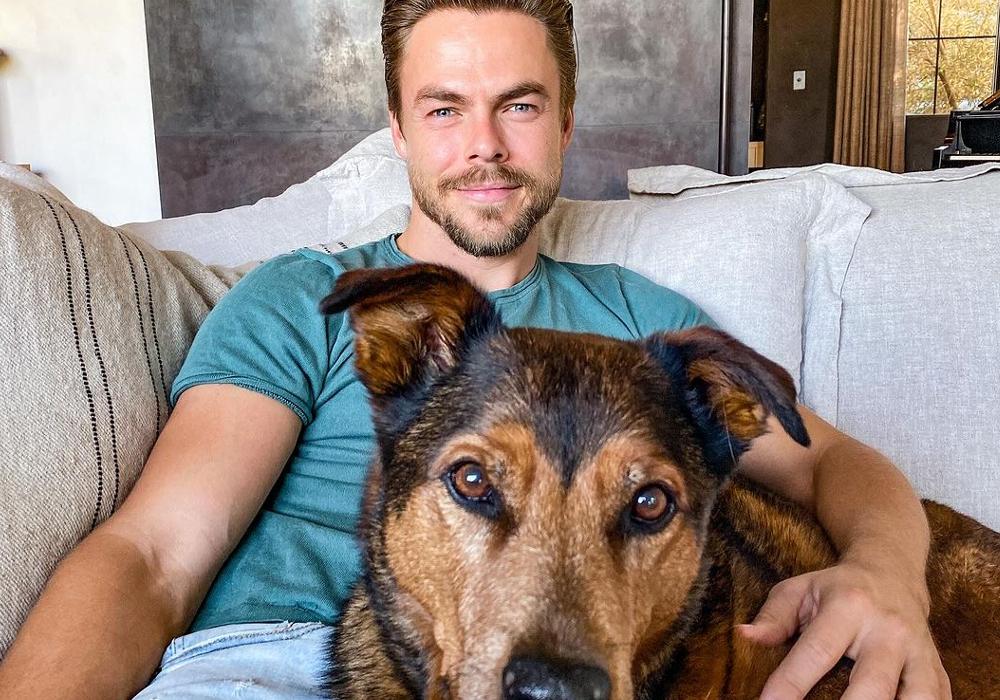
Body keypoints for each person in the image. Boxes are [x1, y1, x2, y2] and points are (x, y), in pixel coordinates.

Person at [0, 2, 949, 699]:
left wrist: (890, 577)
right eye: (446, 107)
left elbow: (834, 463)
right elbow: (154, 555)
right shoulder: (305, 299)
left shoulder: (644, 325)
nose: (484, 145)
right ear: (400, 128)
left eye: (520, 105)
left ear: (566, 123)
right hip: (276, 662)